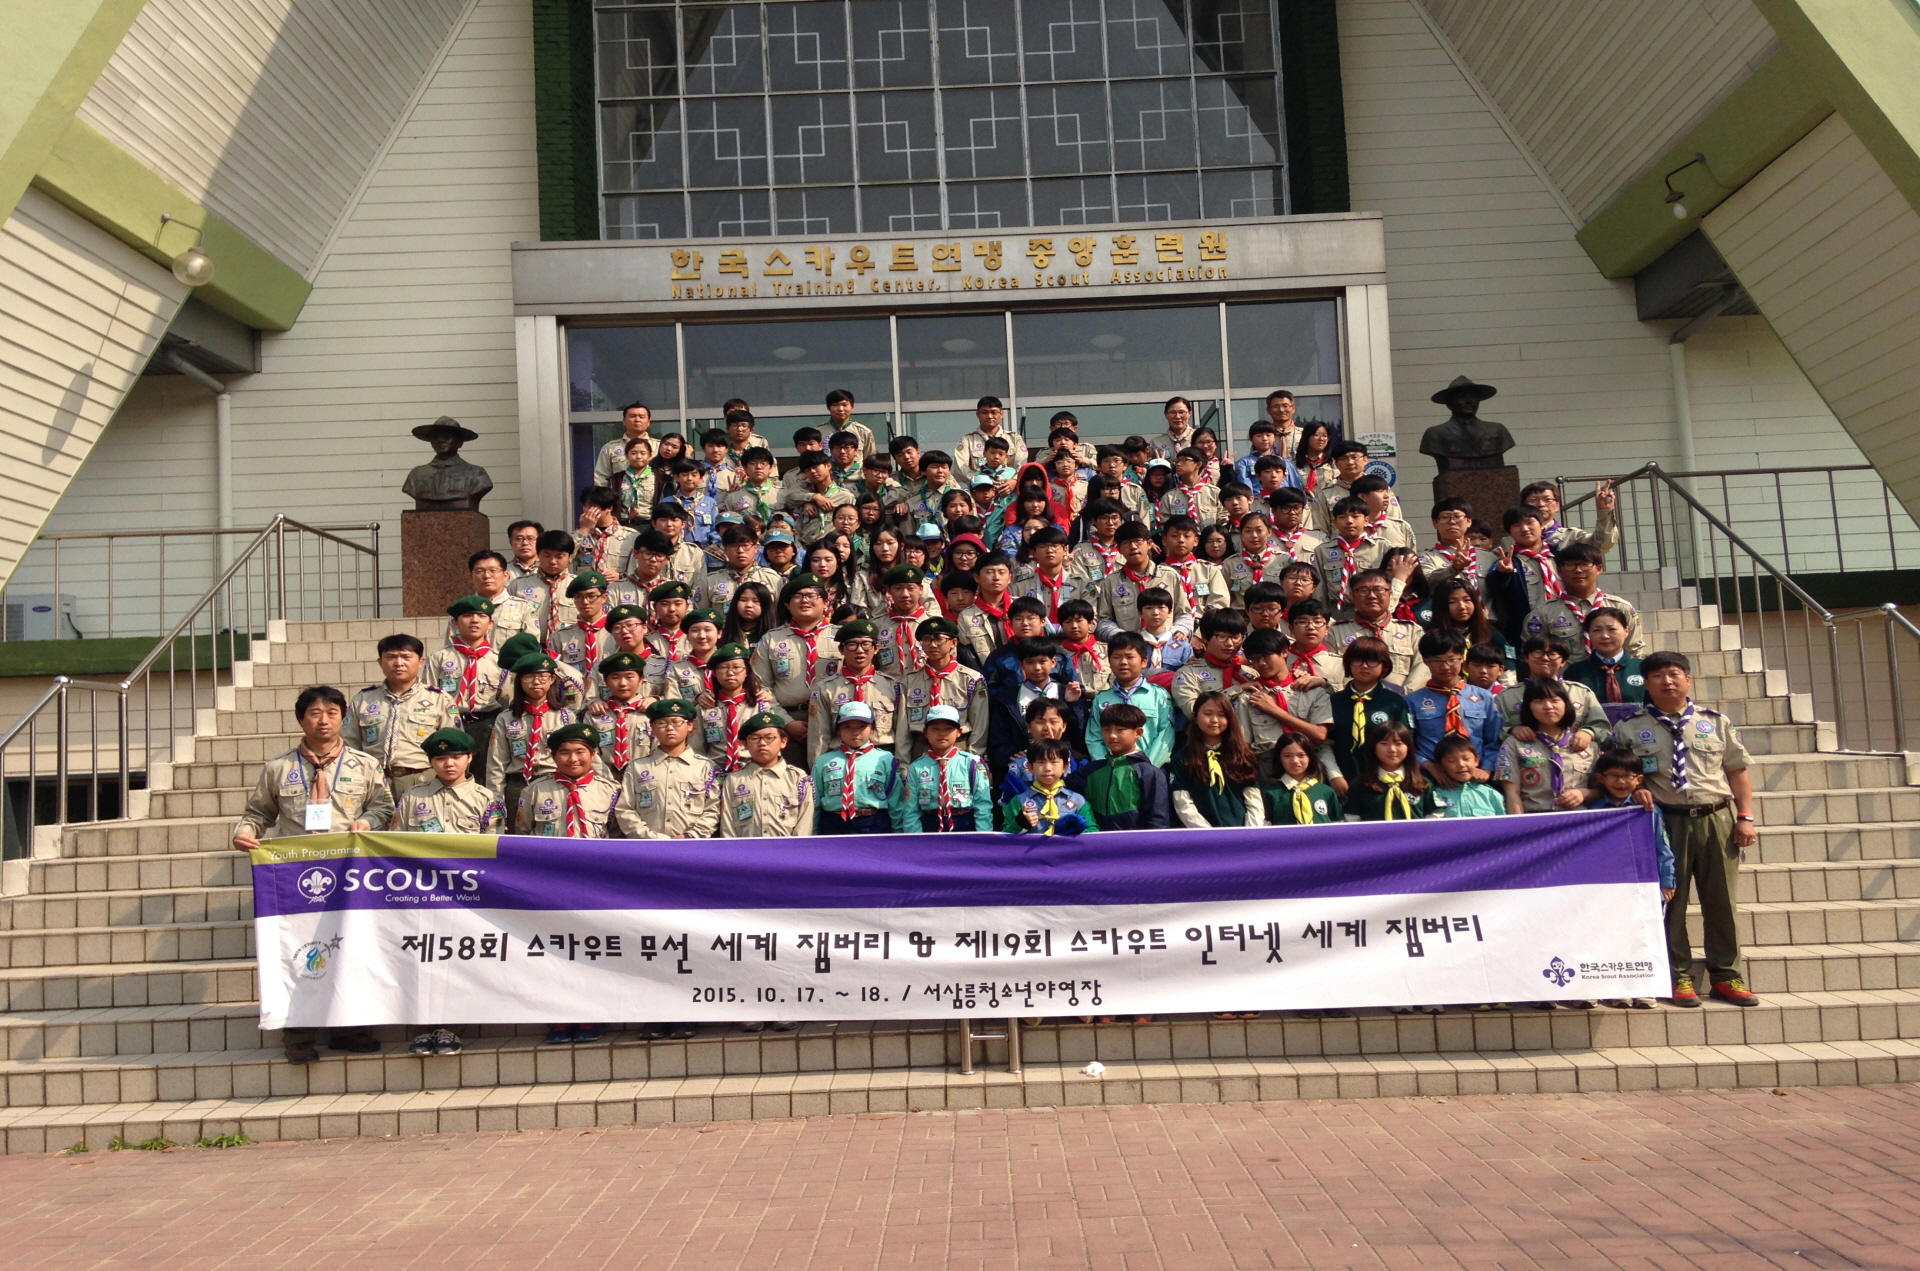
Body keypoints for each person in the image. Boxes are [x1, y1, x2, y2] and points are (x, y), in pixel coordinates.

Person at [234, 685, 393, 1061]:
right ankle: (299, 1033)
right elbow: (258, 813)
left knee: (351, 946)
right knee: (297, 950)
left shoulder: (365, 765)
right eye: (315, 713)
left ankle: (350, 1027)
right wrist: (245, 832)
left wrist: (367, 822)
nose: (324, 721)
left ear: (343, 718)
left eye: (332, 713)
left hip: (348, 871)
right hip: (296, 873)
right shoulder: (278, 768)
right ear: (301, 719)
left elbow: (384, 807)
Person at [1616, 651, 1758, 1009]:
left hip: (1716, 819)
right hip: (1665, 822)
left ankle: (1727, 976)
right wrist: (1635, 792)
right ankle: (1677, 974)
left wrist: (1745, 816)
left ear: (1688, 679)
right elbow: (1617, 775)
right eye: (1658, 676)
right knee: (1671, 902)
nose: (1667, 681)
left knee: (1722, 901)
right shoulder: (1629, 728)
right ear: (1646, 684)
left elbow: (1737, 771)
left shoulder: (1715, 722)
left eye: (1674, 674)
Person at [1575, 750, 1678, 1009]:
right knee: (1605, 933)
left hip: (1642, 884)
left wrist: (1667, 881)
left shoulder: (1648, 810)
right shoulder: (1592, 810)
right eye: (1613, 776)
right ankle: (1612, 988)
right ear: (1601, 778)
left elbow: (1662, 848)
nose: (1621, 782)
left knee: (1642, 936)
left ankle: (1644, 988)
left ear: (1639, 779)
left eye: (1627, 776)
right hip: (1605, 886)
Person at [343, 634, 456, 799]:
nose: (398, 663)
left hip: (424, 780)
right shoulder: (363, 700)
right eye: (391, 657)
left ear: (421, 662)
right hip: (375, 781)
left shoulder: (439, 699)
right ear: (380, 662)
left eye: (406, 657)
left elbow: (454, 747)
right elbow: (349, 745)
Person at [484, 654, 583, 829]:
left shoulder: (566, 717)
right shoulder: (506, 718)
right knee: (517, 836)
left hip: (553, 783)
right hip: (517, 785)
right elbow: (496, 764)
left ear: (552, 679)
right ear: (519, 681)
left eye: (542, 676)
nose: (536, 682)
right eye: (529, 677)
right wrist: (497, 800)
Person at [752, 574, 840, 748]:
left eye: (811, 595)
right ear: (787, 604)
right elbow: (759, 687)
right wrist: (786, 723)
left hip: (835, 720)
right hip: (787, 722)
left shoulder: (841, 637)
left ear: (825, 602)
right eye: (798, 596)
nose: (804, 600)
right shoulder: (771, 639)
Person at [615, 698, 722, 841]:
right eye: (662, 723)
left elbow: (713, 810)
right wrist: (650, 837)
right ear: (652, 727)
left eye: (676, 722)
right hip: (648, 846)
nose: (669, 728)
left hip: (692, 846)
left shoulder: (706, 767)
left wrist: (690, 835)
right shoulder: (637, 767)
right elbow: (625, 809)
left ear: (690, 725)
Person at [1404, 630, 1502, 782]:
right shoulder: (1412, 701)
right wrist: (1428, 766)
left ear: (1462, 658)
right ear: (1425, 660)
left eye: (1452, 659)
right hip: (1432, 777)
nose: (1445, 666)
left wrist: (1486, 769)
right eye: (1437, 660)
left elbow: (1493, 740)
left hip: (1476, 776)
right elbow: (1407, 744)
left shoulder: (1484, 697)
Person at [1237, 628, 1332, 780]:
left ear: (1284, 652)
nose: (1261, 663)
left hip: (1306, 760)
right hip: (1267, 764)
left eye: (1266, 656)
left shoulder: (1311, 690)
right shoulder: (1248, 697)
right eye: (1255, 659)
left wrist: (1274, 710)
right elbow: (1244, 744)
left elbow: (1319, 735)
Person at [1526, 543, 1647, 656]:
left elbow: (1634, 651)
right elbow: (1532, 655)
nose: (1578, 570)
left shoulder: (1622, 608)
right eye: (1570, 565)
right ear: (1559, 571)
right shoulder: (1543, 613)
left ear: (1599, 569)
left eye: (1584, 564)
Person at [807, 618, 901, 763]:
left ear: (876, 648)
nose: (859, 650)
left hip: (882, 758)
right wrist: (818, 769)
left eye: (866, 644)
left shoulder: (892, 686)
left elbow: (901, 733)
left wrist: (901, 766)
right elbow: (819, 736)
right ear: (841, 649)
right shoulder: (825, 688)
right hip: (839, 758)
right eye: (852, 644)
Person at [1495, 680, 1595, 814]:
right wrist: (1520, 824)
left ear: (1566, 704)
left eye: (1555, 700)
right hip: (1534, 819)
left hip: (1578, 819)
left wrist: (1584, 793)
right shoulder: (1514, 744)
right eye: (1539, 701)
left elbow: (1602, 788)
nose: (1548, 706)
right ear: (1528, 707)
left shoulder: (1588, 745)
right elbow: (1512, 793)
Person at [1326, 638, 1411, 791]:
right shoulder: (1334, 701)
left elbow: (1406, 742)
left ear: (1384, 666)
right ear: (1348, 663)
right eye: (1357, 660)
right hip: (1341, 780)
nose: (1364, 666)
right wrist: (1334, 776)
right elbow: (1326, 744)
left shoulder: (1394, 702)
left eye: (1372, 661)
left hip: (1385, 781)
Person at [430, 596, 511, 755]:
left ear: (491, 624)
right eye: (467, 616)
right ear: (455, 622)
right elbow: (430, 695)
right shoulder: (439, 659)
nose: (474, 620)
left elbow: (506, 699)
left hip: (487, 726)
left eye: (481, 616)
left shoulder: (499, 661)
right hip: (449, 724)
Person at [1171, 691, 1266, 827]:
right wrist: (1210, 834)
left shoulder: (1242, 755)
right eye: (1208, 714)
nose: (1214, 720)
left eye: (1221, 715)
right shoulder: (1183, 758)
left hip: (1242, 832)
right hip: (1203, 834)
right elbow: (1183, 804)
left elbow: (1253, 800)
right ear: (1195, 717)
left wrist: (1249, 832)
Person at [896, 617, 987, 759]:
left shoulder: (971, 679)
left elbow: (980, 724)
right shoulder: (909, 681)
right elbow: (902, 728)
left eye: (939, 639)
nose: (932, 644)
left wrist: (973, 758)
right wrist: (903, 763)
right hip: (921, 748)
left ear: (953, 643)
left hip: (959, 747)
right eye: (926, 639)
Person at [893, 705, 994, 832]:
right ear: (925, 732)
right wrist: (916, 838)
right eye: (935, 729)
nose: (942, 733)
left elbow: (983, 804)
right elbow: (911, 809)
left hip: (965, 823)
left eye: (949, 729)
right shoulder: (916, 767)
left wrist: (983, 835)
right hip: (930, 824)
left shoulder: (972, 763)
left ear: (959, 732)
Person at [1073, 702, 1172, 831]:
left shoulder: (1149, 773)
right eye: (1107, 730)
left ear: (1138, 732)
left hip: (1135, 842)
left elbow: (1158, 819)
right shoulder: (1091, 770)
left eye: (1120, 730)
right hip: (1096, 840)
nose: (1112, 736)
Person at [1328, 566, 1427, 692]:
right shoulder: (1335, 632)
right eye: (1363, 590)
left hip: (1402, 699)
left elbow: (1423, 666)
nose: (1372, 596)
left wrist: (1405, 695)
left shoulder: (1411, 631)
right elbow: (1331, 672)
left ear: (1390, 594)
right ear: (1353, 596)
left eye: (1379, 590)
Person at [718, 712, 816, 837]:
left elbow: (805, 823)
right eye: (754, 738)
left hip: (788, 848)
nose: (762, 743)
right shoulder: (734, 780)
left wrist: (795, 848)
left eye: (769, 738)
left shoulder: (799, 778)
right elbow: (727, 826)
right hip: (746, 848)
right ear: (745, 744)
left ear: (783, 742)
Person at [1085, 631, 1175, 768]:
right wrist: (1108, 768)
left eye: (1130, 657)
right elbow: (1094, 738)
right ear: (1109, 662)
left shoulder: (1159, 696)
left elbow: (1165, 735)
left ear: (1144, 661)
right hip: (1111, 771)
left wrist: (1146, 767)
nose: (1123, 662)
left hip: (1151, 769)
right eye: (1117, 657)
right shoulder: (1101, 699)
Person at [1093, 521, 1192, 643]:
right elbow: (1104, 620)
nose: (1133, 547)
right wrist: (1123, 638)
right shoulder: (1111, 581)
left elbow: (1183, 614)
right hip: (1128, 648)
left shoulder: (1169, 575)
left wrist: (1177, 632)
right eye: (1126, 543)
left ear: (1149, 544)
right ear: (1119, 549)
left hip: (1167, 644)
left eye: (1138, 541)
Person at [1171, 607, 1253, 720]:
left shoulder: (1250, 674)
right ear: (1205, 638)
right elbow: (1193, 711)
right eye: (1222, 637)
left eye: (1235, 637)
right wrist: (1238, 689)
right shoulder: (1188, 674)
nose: (1229, 643)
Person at [1346, 721, 1439, 821]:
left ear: (1408, 747)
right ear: (1374, 747)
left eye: (1399, 743)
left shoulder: (1422, 783)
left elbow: (1435, 816)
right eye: (1384, 744)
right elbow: (1351, 820)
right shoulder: (1360, 784)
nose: (1392, 749)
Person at [1002, 739, 1094, 835]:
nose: (1047, 768)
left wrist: (1075, 830)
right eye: (1041, 762)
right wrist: (1020, 824)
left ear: (1065, 766)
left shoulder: (1078, 801)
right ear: (1030, 767)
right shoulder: (1019, 801)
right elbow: (1005, 837)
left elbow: (1092, 832)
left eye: (1054, 762)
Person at [454, 550, 541, 646]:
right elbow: (451, 649)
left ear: (505, 576)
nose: (487, 576)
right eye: (479, 571)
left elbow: (531, 648)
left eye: (493, 571)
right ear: (471, 577)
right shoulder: (461, 609)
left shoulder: (524, 608)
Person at [1566, 608, 1647, 709]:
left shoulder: (1643, 668)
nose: (1605, 636)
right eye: (1597, 630)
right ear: (1589, 634)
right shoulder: (1575, 672)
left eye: (1612, 629)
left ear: (1626, 631)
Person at [590, 651, 655, 776]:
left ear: (641, 679)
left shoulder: (652, 712)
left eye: (629, 677)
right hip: (606, 778)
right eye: (615, 677)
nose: (622, 683)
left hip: (645, 776)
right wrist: (607, 781)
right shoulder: (596, 714)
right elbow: (592, 753)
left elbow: (658, 748)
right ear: (605, 681)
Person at [1262, 731, 1342, 825]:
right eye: (1287, 756)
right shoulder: (1270, 793)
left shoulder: (1326, 791)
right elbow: (1266, 827)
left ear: (1310, 757)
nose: (1295, 761)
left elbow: (1338, 824)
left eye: (1301, 755)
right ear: (1279, 759)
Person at [506, 529, 579, 633]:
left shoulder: (579, 586)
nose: (552, 561)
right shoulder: (518, 586)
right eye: (547, 555)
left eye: (559, 556)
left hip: (568, 642)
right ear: (538, 555)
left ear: (570, 557)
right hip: (530, 642)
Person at [1522, 479, 1619, 555]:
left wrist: (1604, 511)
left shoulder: (1571, 537)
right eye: (1533, 500)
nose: (1541, 504)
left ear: (1557, 506)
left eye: (1547, 499)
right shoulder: (1515, 538)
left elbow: (1601, 545)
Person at [1425, 734, 1506, 818]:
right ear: (1440, 766)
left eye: (1466, 759)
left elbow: (1503, 823)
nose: (1461, 764)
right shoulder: (1434, 795)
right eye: (1452, 761)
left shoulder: (1491, 795)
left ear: (1476, 760)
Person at [575, 486, 638, 577]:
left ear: (609, 508)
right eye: (585, 505)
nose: (587, 510)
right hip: (586, 585)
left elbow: (640, 570)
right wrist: (584, 529)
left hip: (617, 585)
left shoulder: (631, 536)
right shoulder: (581, 534)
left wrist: (621, 576)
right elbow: (565, 558)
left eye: (592, 506)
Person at [592, 401, 653, 486]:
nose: (637, 420)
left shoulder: (659, 447)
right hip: (620, 493)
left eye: (641, 417)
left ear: (648, 422)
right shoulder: (610, 448)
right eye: (632, 416)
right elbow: (601, 478)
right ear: (624, 421)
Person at [824, 388, 880, 462]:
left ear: (852, 406)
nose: (840, 409)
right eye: (835, 405)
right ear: (828, 407)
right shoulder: (819, 432)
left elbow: (871, 461)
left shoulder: (864, 432)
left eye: (844, 405)